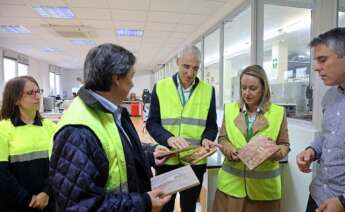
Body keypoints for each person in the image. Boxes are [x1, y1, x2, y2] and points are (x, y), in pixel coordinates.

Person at [49, 43, 171, 211]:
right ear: (117, 79)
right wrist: (144, 203)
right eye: (131, 76)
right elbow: (81, 206)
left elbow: (115, 150)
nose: (132, 84)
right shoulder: (78, 131)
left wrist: (149, 154)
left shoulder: (108, 110)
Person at [146, 45, 219, 212]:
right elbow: (152, 122)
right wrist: (168, 138)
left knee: (189, 206)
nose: (190, 73)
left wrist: (207, 138)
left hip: (195, 162)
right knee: (165, 207)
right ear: (177, 62)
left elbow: (211, 125)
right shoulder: (161, 87)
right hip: (167, 160)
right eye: (186, 66)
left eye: (195, 68)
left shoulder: (208, 91)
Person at [213, 65, 290, 212]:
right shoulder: (230, 110)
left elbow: (284, 145)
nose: (246, 93)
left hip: (264, 192)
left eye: (253, 88)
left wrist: (274, 152)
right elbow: (222, 138)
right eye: (243, 88)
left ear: (263, 88)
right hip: (231, 188)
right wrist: (230, 151)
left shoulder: (278, 113)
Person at [297, 27, 345, 212]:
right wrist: (312, 150)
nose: (316, 67)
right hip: (318, 195)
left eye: (322, 60)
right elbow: (327, 136)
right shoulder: (329, 97)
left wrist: (343, 201)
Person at [0, 76, 57, 211]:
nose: (37, 97)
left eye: (38, 91)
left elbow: (59, 166)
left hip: (48, 202)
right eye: (30, 93)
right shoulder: (3, 129)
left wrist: (46, 192)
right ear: (16, 99)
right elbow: (2, 173)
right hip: (15, 204)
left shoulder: (51, 127)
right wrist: (27, 199)